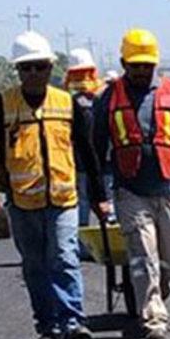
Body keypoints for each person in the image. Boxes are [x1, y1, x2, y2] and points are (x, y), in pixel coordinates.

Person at [0, 31, 108, 339]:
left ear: (50, 68)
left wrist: (101, 196)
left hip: (63, 200)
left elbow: (88, 153)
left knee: (64, 258)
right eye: (26, 68)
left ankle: (73, 324)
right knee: (34, 266)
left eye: (39, 67)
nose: (33, 74)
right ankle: (47, 327)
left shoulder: (66, 103)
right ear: (18, 72)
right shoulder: (3, 103)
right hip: (22, 201)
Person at [93, 28, 170, 339]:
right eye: (135, 65)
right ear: (124, 63)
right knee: (144, 256)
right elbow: (96, 148)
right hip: (130, 191)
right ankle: (154, 318)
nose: (142, 71)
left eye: (147, 65)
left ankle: (158, 293)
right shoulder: (110, 98)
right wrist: (100, 194)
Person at [64, 48, 106, 258]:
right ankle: (108, 241)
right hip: (100, 160)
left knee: (81, 201)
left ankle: (80, 245)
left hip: (78, 161)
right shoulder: (100, 98)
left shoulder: (66, 101)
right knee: (105, 200)